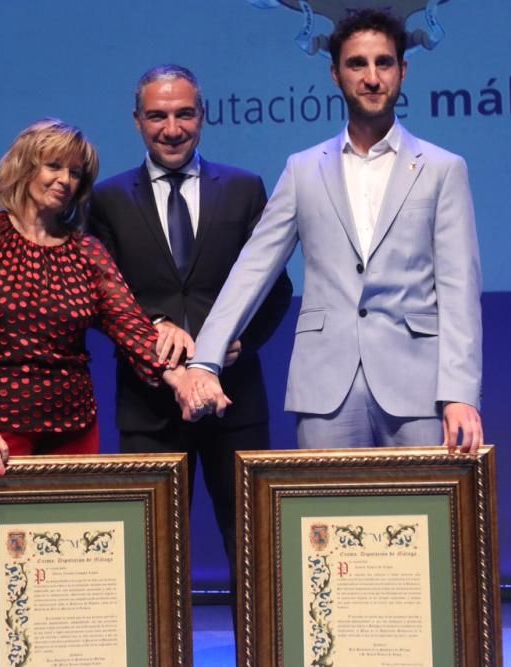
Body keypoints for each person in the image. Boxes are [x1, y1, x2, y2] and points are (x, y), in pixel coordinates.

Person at [179, 10, 484, 453]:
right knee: (328, 520)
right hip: (326, 387)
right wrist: (205, 359)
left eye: (384, 63)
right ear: (336, 74)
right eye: (357, 64)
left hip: (418, 385)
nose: (372, 77)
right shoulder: (304, 170)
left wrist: (459, 392)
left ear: (403, 70)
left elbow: (459, 290)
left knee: (424, 518)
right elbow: (253, 269)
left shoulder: (442, 169)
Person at [89, 65, 293, 583]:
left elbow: (278, 289)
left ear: (203, 116)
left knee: (253, 543)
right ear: (137, 121)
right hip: (148, 403)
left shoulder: (244, 189)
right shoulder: (108, 200)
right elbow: (98, 297)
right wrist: (152, 329)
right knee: (151, 551)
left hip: (235, 400)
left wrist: (240, 344)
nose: (172, 128)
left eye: (184, 114)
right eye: (157, 116)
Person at [0, 118, 190, 476]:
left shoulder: (86, 251)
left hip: (74, 426)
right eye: (53, 166)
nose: (65, 180)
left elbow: (131, 326)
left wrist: (183, 380)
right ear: (25, 168)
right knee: (4, 531)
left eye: (75, 173)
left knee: (74, 529)